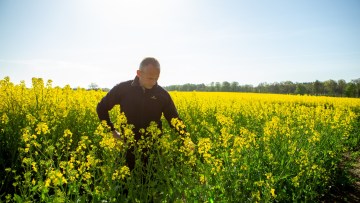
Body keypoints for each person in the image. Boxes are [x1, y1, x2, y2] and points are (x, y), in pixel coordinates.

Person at [96, 57, 182, 170]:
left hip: (152, 149)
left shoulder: (162, 95)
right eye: (150, 78)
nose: (153, 82)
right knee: (124, 184)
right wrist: (112, 131)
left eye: (156, 78)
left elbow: (174, 119)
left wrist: (185, 139)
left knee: (151, 183)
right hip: (127, 146)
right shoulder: (123, 89)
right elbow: (101, 107)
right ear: (139, 73)